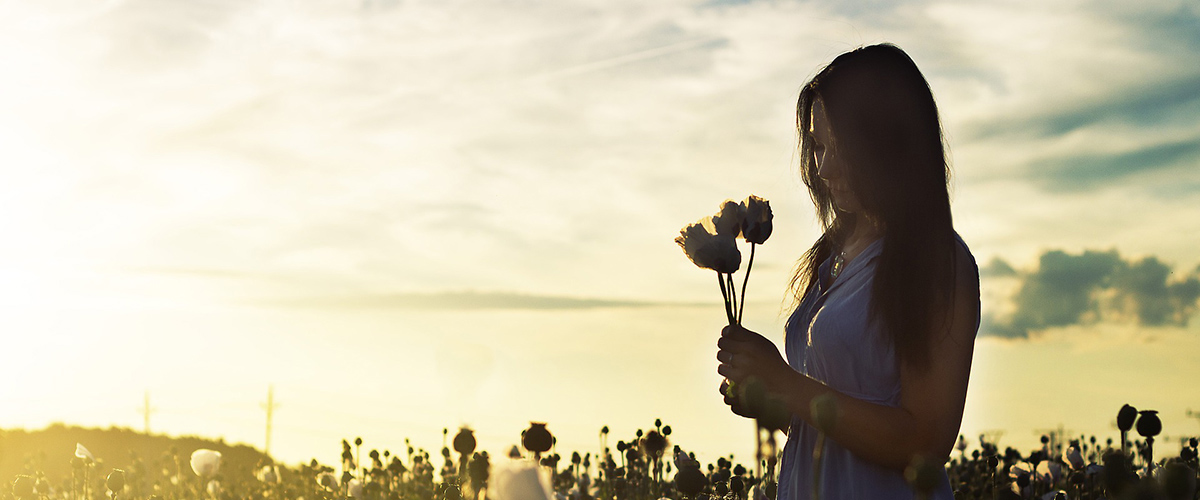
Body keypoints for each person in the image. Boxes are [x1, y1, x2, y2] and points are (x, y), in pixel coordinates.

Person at [715, 43, 981, 500]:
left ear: (891, 145)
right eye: (818, 146)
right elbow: (834, 424)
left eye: (843, 148)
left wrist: (785, 382)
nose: (823, 167)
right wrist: (772, 401)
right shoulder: (831, 255)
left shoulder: (938, 261)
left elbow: (924, 442)